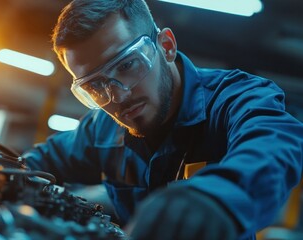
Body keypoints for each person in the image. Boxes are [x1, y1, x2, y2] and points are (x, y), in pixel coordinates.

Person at [22, 0, 303, 239]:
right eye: (95, 86)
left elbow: (275, 143)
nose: (118, 96)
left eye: (127, 65)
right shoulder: (102, 131)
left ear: (166, 46)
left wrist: (216, 195)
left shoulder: (234, 98)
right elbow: (35, 165)